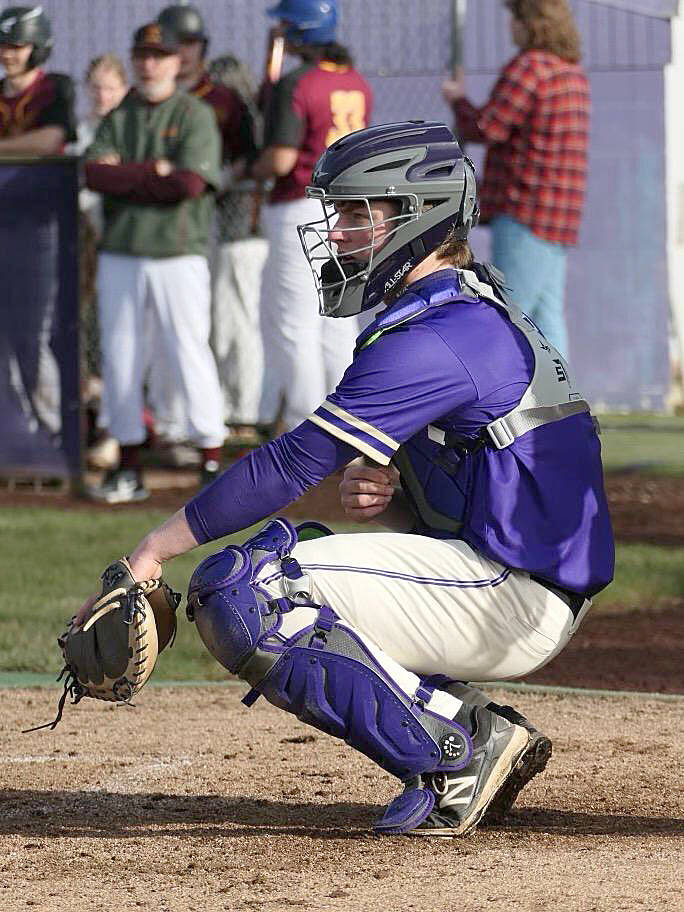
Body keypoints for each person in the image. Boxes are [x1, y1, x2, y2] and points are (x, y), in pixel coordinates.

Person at [76, 121, 615, 837]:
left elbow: (293, 461)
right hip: (520, 576)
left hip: (513, 593)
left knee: (245, 588)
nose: (339, 234)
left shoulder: (439, 334)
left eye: (362, 213)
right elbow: (494, 474)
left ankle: (458, 752)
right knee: (293, 555)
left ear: (418, 218)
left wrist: (153, 550)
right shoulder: (464, 306)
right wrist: (399, 499)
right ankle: (470, 726)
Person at [84, 21, 225, 503]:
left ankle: (211, 457)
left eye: (159, 55)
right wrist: (152, 173)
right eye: (142, 55)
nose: (149, 64)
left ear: (176, 61)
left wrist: (127, 177)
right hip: (122, 251)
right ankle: (127, 464)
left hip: (177, 252)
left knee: (188, 350)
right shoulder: (120, 114)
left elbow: (188, 186)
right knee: (121, 356)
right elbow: (94, 176)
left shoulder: (194, 113)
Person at [442, 0, 589, 357]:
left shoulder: (530, 68)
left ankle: (508, 399)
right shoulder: (572, 74)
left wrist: (457, 100)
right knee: (547, 315)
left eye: (516, 19)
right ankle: (561, 400)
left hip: (525, 208)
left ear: (531, 24)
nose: (511, 26)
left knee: (510, 312)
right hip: (559, 216)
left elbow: (488, 127)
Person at [251, 0, 373, 431]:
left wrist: (247, 171)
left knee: (295, 320)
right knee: (337, 320)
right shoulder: (356, 81)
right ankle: (348, 421)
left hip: (300, 205)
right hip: (348, 209)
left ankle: (305, 423)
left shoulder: (298, 82)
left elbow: (281, 160)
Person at [149, 4, 262, 451]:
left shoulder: (222, 97)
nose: (184, 51)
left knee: (229, 316)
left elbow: (251, 152)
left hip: (222, 213)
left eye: (191, 43)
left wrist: (226, 176)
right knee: (179, 323)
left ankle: (240, 412)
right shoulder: (153, 97)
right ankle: (175, 417)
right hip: (168, 219)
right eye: (176, 43)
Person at [0, 5, 77, 443]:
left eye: (17, 45)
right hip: (3, 225)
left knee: (35, 332)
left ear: (38, 47)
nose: (8, 54)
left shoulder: (55, 89)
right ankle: (18, 430)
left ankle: (55, 431)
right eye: (4, 45)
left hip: (40, 228)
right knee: (5, 335)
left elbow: (51, 139)